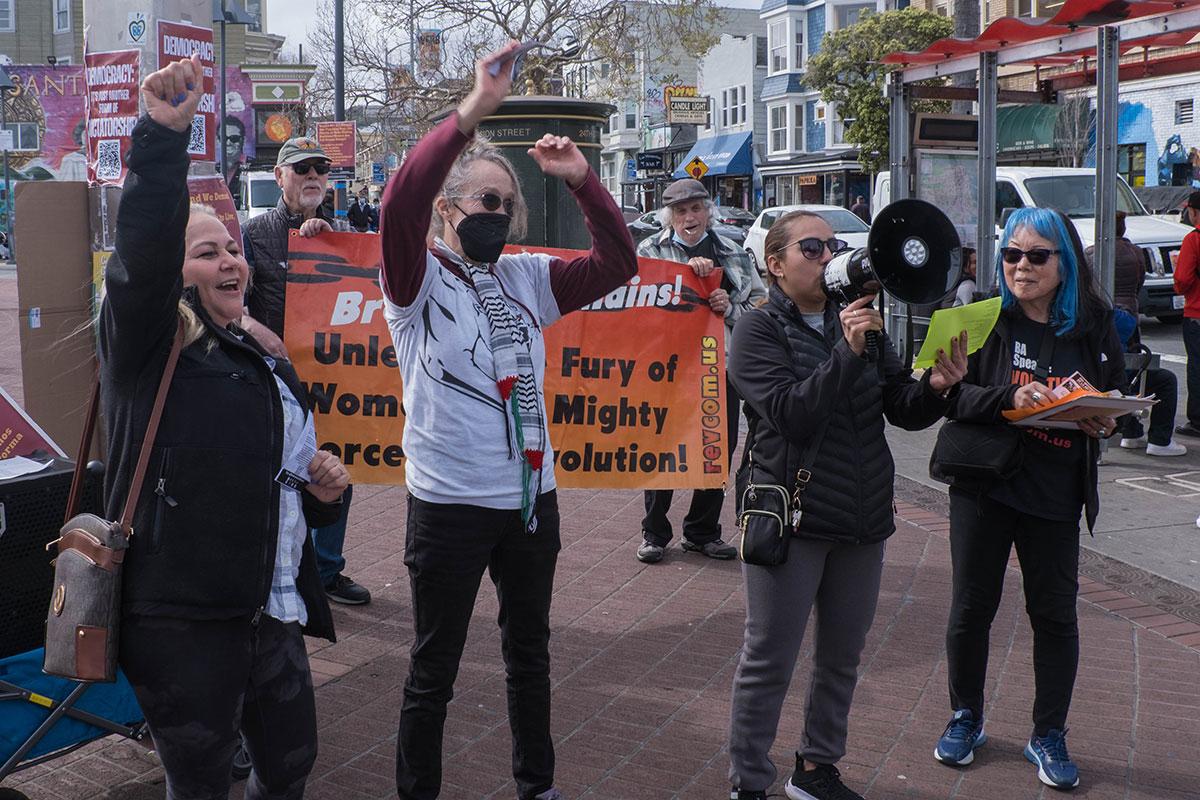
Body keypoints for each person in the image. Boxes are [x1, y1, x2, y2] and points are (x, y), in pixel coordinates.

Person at [378, 42, 637, 800]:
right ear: (446, 209)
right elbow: (396, 205)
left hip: (528, 501)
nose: (492, 212)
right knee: (435, 667)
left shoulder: (528, 276)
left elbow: (618, 263)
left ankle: (537, 786)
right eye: (478, 200)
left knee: (530, 654)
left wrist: (585, 182)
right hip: (449, 504)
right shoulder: (415, 277)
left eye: (503, 202)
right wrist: (474, 111)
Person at [100, 55, 350, 800]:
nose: (230, 261)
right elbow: (141, 255)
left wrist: (324, 486)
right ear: (175, 274)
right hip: (183, 620)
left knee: (290, 771)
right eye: (206, 251)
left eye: (233, 248)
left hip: (273, 613)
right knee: (203, 783)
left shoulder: (265, 359)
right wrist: (161, 141)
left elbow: (291, 480)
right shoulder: (146, 346)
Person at [727, 210, 967, 800]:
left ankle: (815, 769)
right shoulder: (757, 330)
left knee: (842, 655)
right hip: (792, 515)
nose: (827, 256)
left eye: (832, 245)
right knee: (770, 659)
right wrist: (846, 350)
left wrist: (938, 387)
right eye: (811, 247)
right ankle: (749, 783)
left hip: (861, 513)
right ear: (775, 264)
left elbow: (899, 408)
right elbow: (789, 414)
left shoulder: (859, 321)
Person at [933, 207, 1126, 791]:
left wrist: (1104, 421)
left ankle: (1049, 733)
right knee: (972, 607)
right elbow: (946, 396)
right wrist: (1010, 401)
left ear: (1065, 263)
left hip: (1054, 490)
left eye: (1037, 256)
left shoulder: (1092, 324)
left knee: (1055, 615)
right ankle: (966, 716)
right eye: (1012, 254)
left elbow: (1114, 394)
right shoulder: (979, 316)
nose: (1021, 266)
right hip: (984, 485)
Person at [241, 136, 370, 606]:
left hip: (337, 382)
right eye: (302, 169)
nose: (313, 176)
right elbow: (233, 303)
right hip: (276, 379)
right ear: (280, 178)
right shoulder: (254, 236)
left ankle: (327, 571)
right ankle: (277, 568)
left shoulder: (347, 235)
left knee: (336, 471)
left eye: (320, 169)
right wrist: (261, 336)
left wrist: (331, 237)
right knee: (278, 473)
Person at [634, 178, 766, 564]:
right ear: (669, 217)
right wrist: (688, 283)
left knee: (715, 448)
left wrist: (730, 309)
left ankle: (702, 531)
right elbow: (638, 310)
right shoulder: (650, 250)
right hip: (669, 370)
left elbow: (760, 307)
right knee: (663, 447)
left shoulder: (732, 251)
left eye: (695, 209)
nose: (689, 217)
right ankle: (654, 532)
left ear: (708, 211)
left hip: (718, 368)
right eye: (680, 211)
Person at [1085, 212, 1186, 457]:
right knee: (1143, 373)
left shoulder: (1088, 255)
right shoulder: (1134, 253)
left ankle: (1132, 432)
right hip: (1126, 314)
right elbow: (1139, 283)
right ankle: (1158, 440)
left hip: (1105, 327)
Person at [1172, 191, 1200, 438]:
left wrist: (1180, 288)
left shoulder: (1194, 239)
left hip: (1196, 312)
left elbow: (1182, 278)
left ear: (1193, 212)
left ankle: (1197, 420)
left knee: (1198, 367)